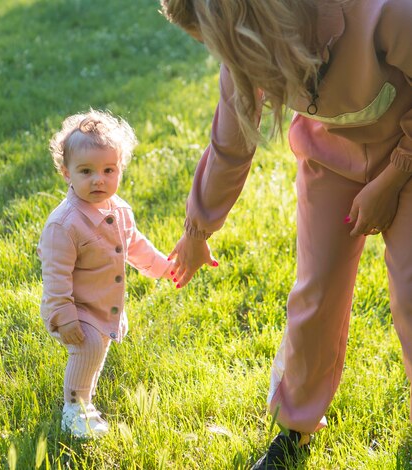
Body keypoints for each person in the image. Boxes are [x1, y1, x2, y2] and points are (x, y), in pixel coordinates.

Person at [160, 0, 412, 468]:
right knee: (315, 293)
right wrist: (197, 229)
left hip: (407, 151)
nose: (228, 58)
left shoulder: (385, 12)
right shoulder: (250, 49)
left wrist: (392, 178)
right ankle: (295, 426)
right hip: (331, 158)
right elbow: (230, 143)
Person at [38, 110, 175, 438]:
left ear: (120, 169)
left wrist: (162, 267)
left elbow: (135, 246)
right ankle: (75, 409)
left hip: (103, 304)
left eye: (108, 170)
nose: (98, 180)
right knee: (87, 349)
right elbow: (55, 276)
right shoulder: (64, 224)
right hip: (77, 309)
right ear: (66, 172)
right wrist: (65, 317)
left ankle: (84, 397)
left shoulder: (119, 210)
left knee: (96, 351)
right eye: (86, 171)